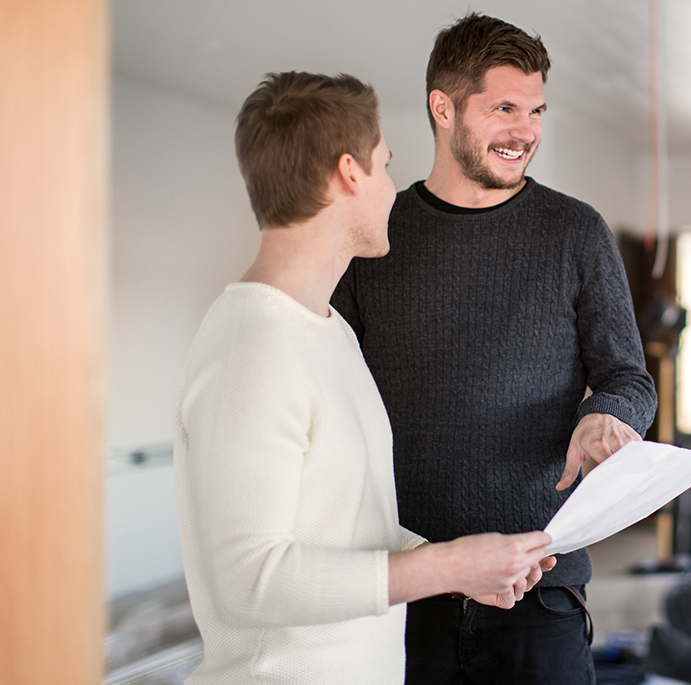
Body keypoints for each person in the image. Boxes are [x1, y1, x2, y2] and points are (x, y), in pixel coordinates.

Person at [173, 71, 555, 684]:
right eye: (384, 165)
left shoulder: (327, 330)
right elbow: (246, 584)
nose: (390, 189)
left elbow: (351, 526)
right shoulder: (252, 345)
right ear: (350, 174)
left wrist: (459, 566)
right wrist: (447, 568)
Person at [331, 13, 657, 685]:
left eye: (535, 109)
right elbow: (328, 388)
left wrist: (609, 412)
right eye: (504, 107)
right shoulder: (375, 235)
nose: (526, 129)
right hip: (405, 588)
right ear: (442, 108)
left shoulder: (576, 232)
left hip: (538, 586)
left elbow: (629, 375)